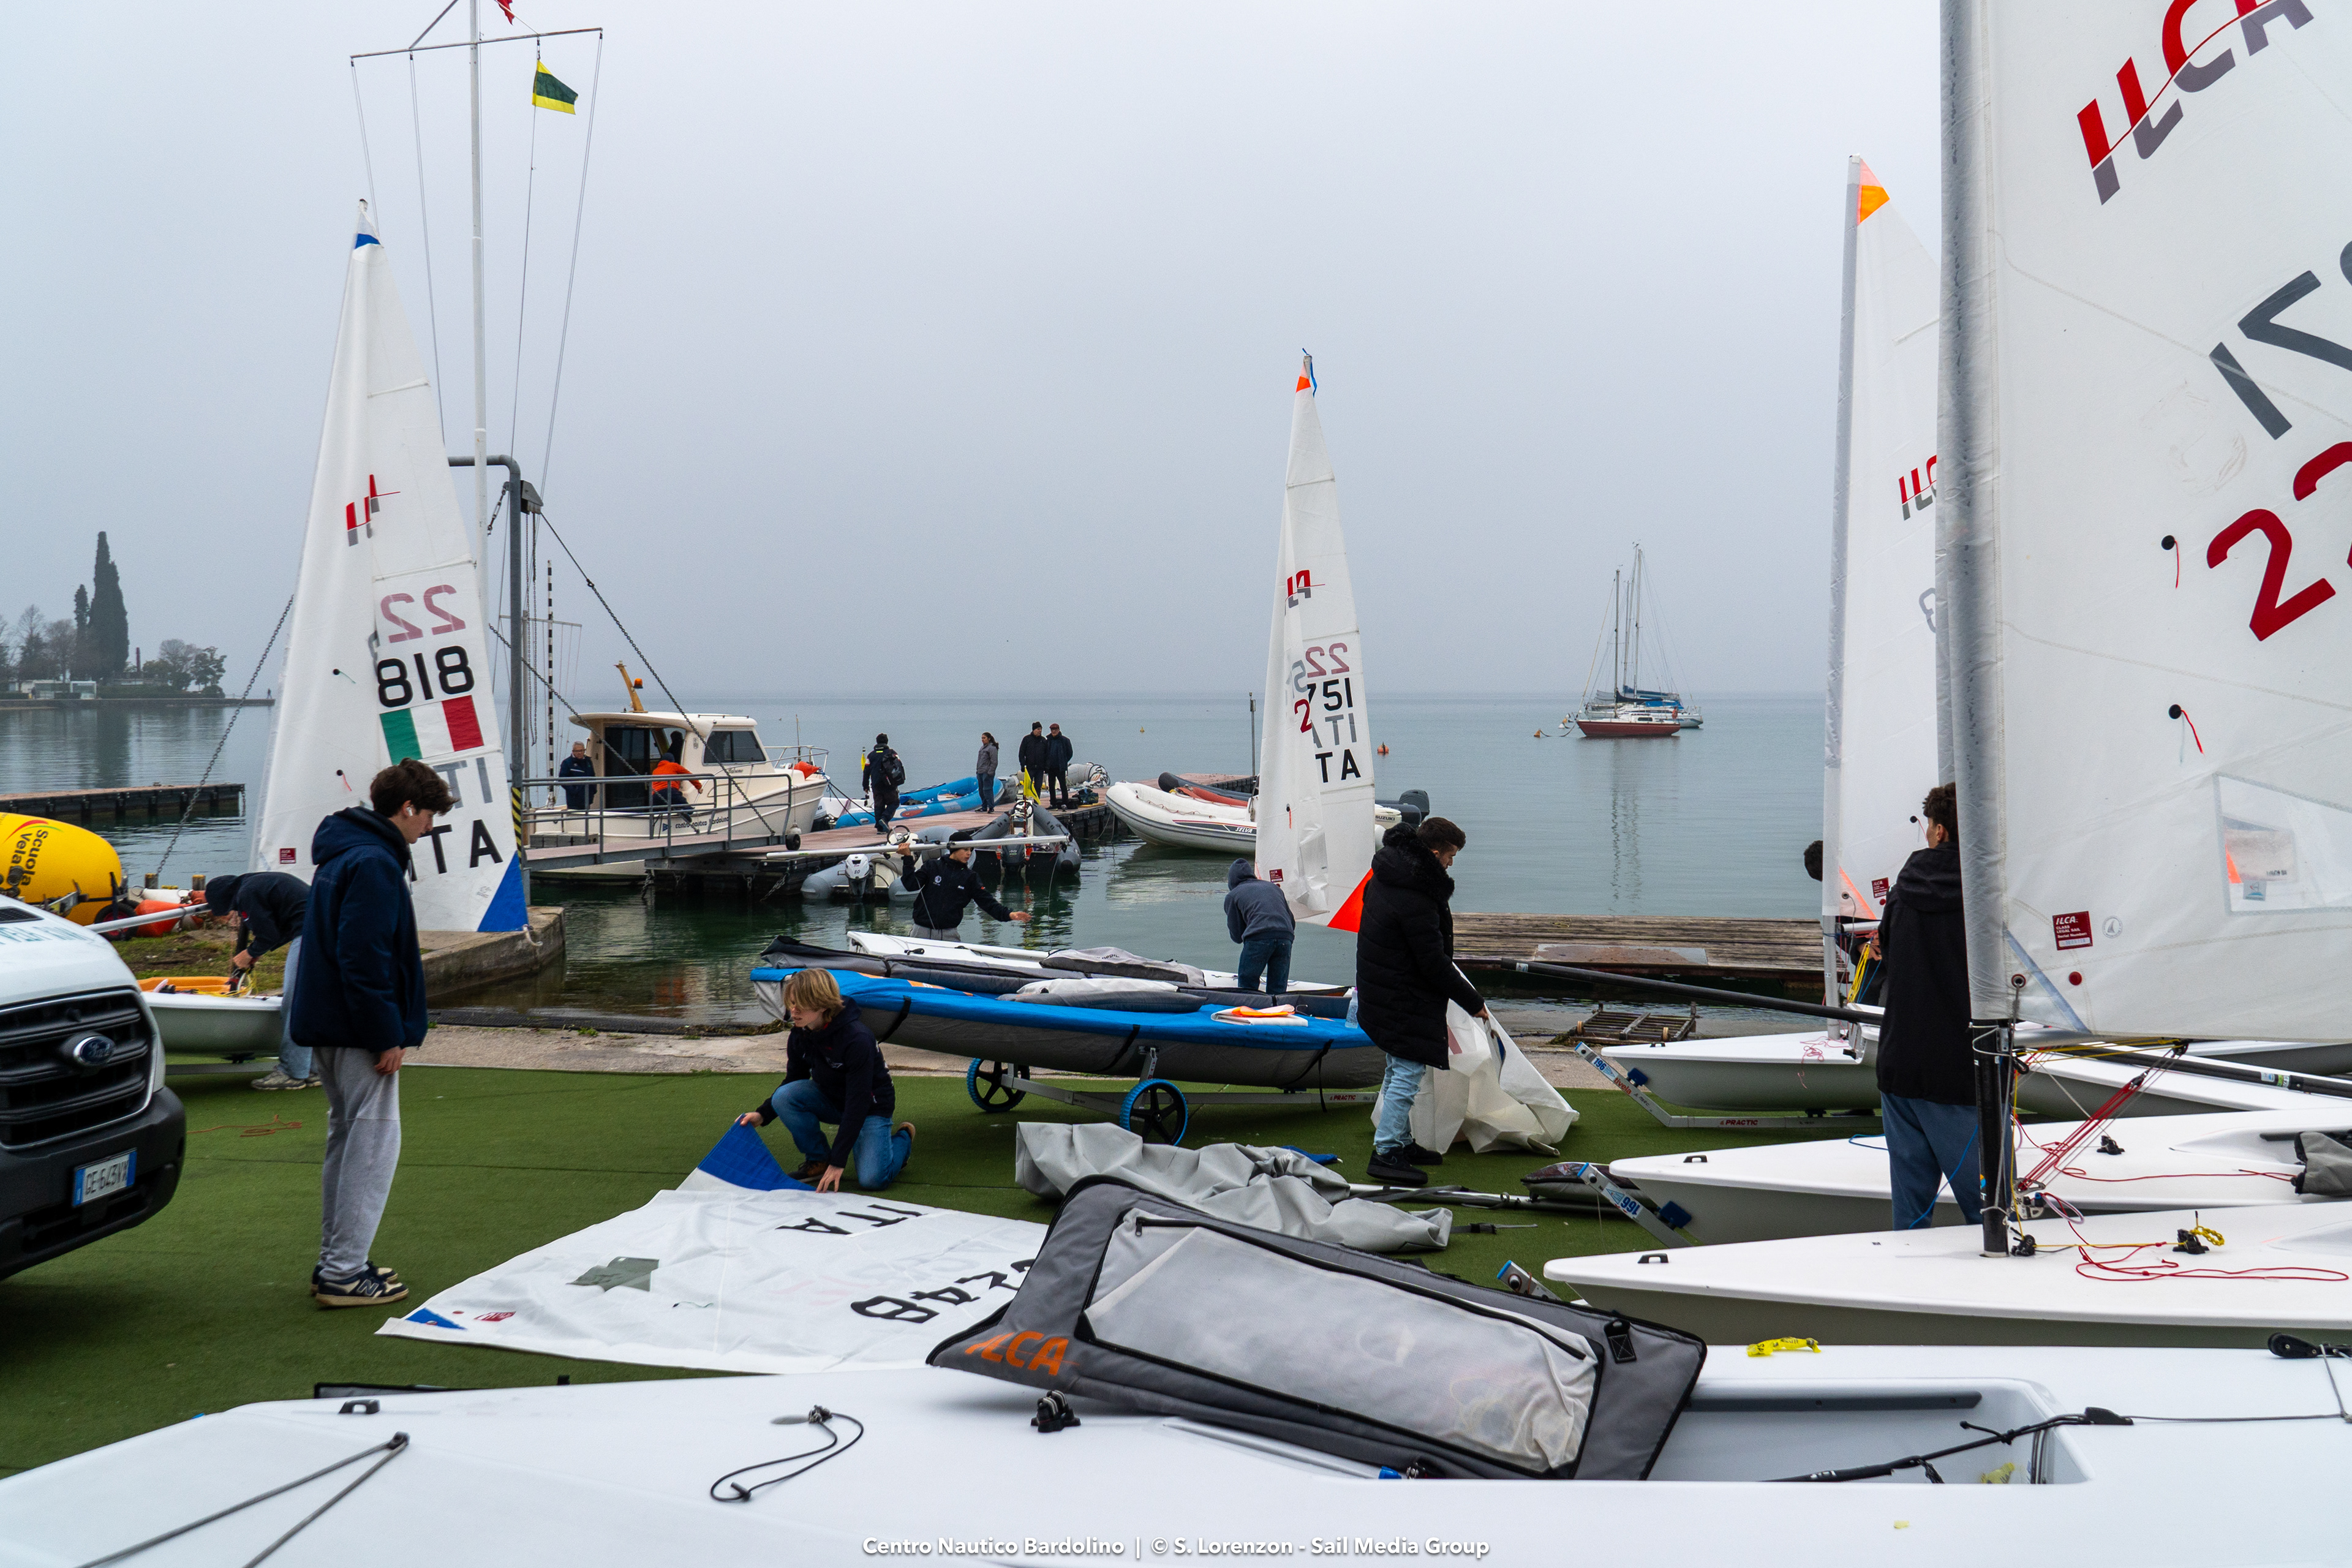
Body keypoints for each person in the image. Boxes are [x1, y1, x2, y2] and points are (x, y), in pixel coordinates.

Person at [287, 758, 450, 1307]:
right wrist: (387, 1034)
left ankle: (337, 1262)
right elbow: (365, 957)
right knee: (373, 1145)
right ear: (408, 808)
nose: (428, 827)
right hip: (359, 1029)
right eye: (427, 815)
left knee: (346, 1138)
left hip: (328, 1023)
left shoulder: (342, 853)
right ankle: (342, 1272)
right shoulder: (377, 863)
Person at [1355, 816, 1488, 1187]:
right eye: (1450, 856)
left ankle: (1398, 1140)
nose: (1451, 864)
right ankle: (1386, 1155)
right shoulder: (1415, 892)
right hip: (1401, 992)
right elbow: (1431, 961)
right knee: (1408, 1071)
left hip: (1382, 984)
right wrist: (1472, 1000)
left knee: (1398, 1066)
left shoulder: (1392, 873)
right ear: (1433, 853)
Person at [1874, 783, 1981, 1229]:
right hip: (1960, 1071)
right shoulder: (1988, 893)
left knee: (1911, 1218)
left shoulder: (1903, 890)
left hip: (1900, 1063)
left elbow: (1888, 951)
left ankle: (1909, 1292)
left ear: (1938, 831)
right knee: (1991, 1211)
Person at [736, 968, 915, 1191]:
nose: (794, 1011)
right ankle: (818, 1160)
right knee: (785, 1096)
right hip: (830, 1097)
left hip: (871, 1107)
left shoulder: (857, 1038)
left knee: (873, 1180)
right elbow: (795, 1078)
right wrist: (763, 1114)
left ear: (822, 1005)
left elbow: (858, 1102)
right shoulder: (800, 1033)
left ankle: (903, 1138)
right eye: (791, 1003)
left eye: (801, 1005)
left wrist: (839, 1161)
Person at [205, 871, 314, 1091]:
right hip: (324, 929)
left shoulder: (247, 893)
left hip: (310, 935)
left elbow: (269, 934)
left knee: (295, 1004)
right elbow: (282, 927)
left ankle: (292, 1072)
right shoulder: (255, 882)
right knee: (313, 1004)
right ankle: (313, 1069)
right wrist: (257, 951)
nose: (233, 912)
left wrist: (249, 953)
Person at [899, 843, 1031, 940]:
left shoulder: (970, 877)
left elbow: (987, 903)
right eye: (966, 849)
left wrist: (1009, 915)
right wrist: (907, 859)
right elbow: (911, 885)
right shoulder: (933, 866)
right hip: (921, 931)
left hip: (949, 933)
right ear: (954, 850)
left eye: (971, 850)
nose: (969, 853)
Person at [1224, 859, 1295, 996]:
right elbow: (1291, 922)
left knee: (1247, 986)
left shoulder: (1233, 895)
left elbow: (1237, 935)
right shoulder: (1273, 888)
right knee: (1278, 990)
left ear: (1231, 880)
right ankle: (1277, 1012)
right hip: (1286, 937)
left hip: (1259, 937)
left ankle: (1250, 1013)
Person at [650, 729, 702, 815]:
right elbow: (688, 775)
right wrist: (699, 787)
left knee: (657, 814)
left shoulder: (655, 771)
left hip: (656, 796)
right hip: (670, 792)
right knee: (688, 809)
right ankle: (682, 812)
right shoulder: (674, 765)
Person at [862, 733, 905, 834]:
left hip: (876, 785)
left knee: (879, 806)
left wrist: (865, 785)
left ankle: (880, 829)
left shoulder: (871, 755)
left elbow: (866, 771)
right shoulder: (892, 753)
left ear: (877, 742)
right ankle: (885, 819)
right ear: (887, 742)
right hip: (890, 784)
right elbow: (899, 766)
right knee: (894, 802)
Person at [1042, 722, 1074, 807]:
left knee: (1063, 786)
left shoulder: (1065, 740)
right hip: (1051, 768)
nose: (1054, 731)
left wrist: (1064, 761)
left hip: (1060, 767)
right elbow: (1045, 753)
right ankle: (1053, 804)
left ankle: (1065, 803)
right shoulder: (1048, 741)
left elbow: (1070, 753)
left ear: (1059, 730)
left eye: (1055, 730)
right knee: (1051, 787)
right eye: (1052, 730)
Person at [559, 741, 596, 810]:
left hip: (588, 797)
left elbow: (593, 776)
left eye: (582, 750)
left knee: (587, 818)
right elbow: (562, 779)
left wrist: (594, 790)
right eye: (577, 751)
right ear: (573, 751)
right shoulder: (567, 763)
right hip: (574, 800)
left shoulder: (588, 761)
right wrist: (574, 791)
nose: (580, 753)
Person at [1017, 722, 1048, 800]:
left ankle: (1036, 803)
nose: (1040, 731)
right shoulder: (1027, 739)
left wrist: (1047, 766)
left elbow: (1047, 755)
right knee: (1028, 787)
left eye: (1041, 729)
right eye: (1038, 729)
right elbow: (1021, 753)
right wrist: (1022, 765)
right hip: (1030, 768)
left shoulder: (1043, 740)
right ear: (1034, 730)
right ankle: (1026, 802)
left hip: (1040, 769)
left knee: (1038, 787)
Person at [975, 732, 999, 813]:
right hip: (980, 772)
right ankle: (984, 807)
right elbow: (980, 761)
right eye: (982, 738)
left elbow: (994, 762)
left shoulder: (992, 748)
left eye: (984, 738)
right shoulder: (982, 748)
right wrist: (977, 771)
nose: (983, 740)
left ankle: (991, 807)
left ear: (989, 739)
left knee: (988, 790)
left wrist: (990, 772)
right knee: (981, 791)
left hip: (987, 773)